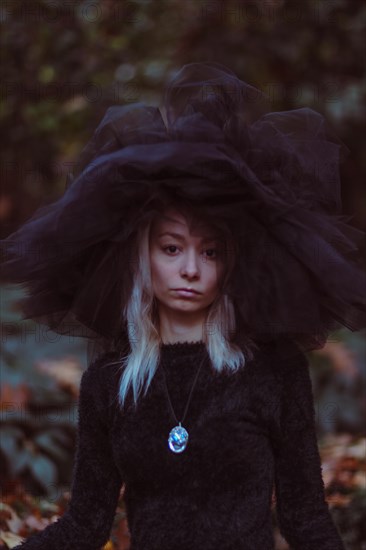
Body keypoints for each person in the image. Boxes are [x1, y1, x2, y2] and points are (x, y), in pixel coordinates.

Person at [2, 61, 366, 549]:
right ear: (143, 256)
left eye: (210, 251)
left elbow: (305, 518)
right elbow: (85, 524)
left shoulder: (274, 372)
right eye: (171, 248)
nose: (191, 268)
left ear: (229, 262)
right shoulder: (109, 383)